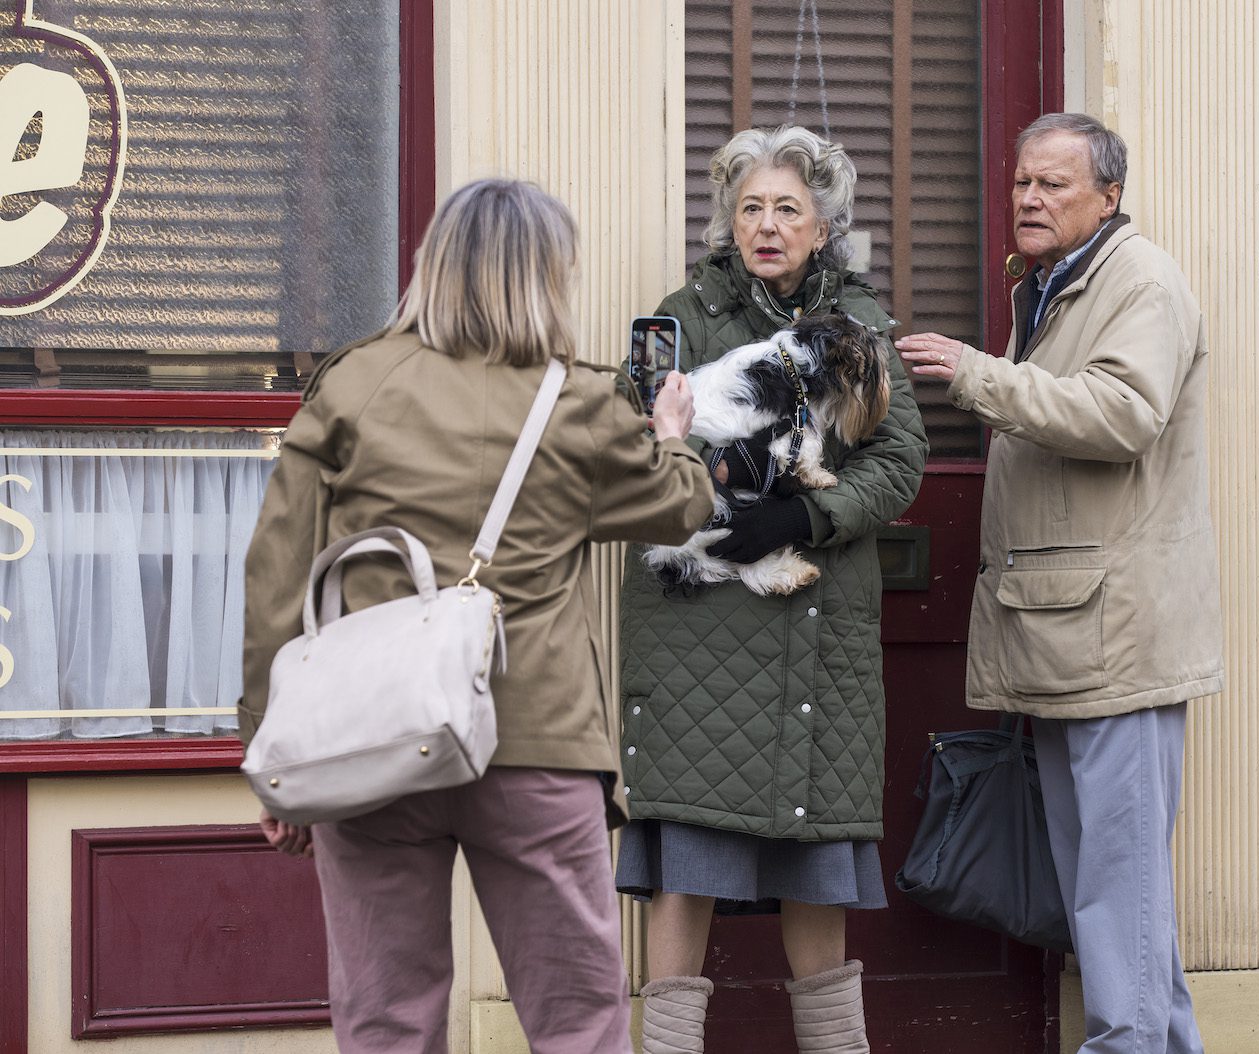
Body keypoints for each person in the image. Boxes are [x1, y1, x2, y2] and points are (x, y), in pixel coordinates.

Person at [239, 178, 715, 1054]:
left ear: (432, 265)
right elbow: (681, 507)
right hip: (536, 741)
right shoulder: (579, 401)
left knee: (386, 1019)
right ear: (547, 278)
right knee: (577, 1019)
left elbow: (277, 571)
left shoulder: (355, 384)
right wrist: (673, 430)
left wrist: (268, 737)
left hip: (371, 738)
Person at [897, 113, 1224, 1054]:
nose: (1029, 200)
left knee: (1116, 880)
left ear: (1110, 197)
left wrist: (978, 376)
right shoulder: (1051, 284)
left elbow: (1125, 414)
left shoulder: (1141, 280)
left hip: (1116, 633)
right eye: (1021, 184)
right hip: (1067, 627)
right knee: (1105, 878)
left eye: (1055, 186)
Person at [614, 125, 927, 1054]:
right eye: (750, 207)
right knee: (688, 864)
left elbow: (902, 461)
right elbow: (639, 446)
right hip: (699, 627)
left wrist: (801, 520)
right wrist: (719, 487)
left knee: (814, 863)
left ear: (824, 226)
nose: (766, 224)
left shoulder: (862, 330)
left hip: (814, 624)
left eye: (788, 208)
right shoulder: (682, 315)